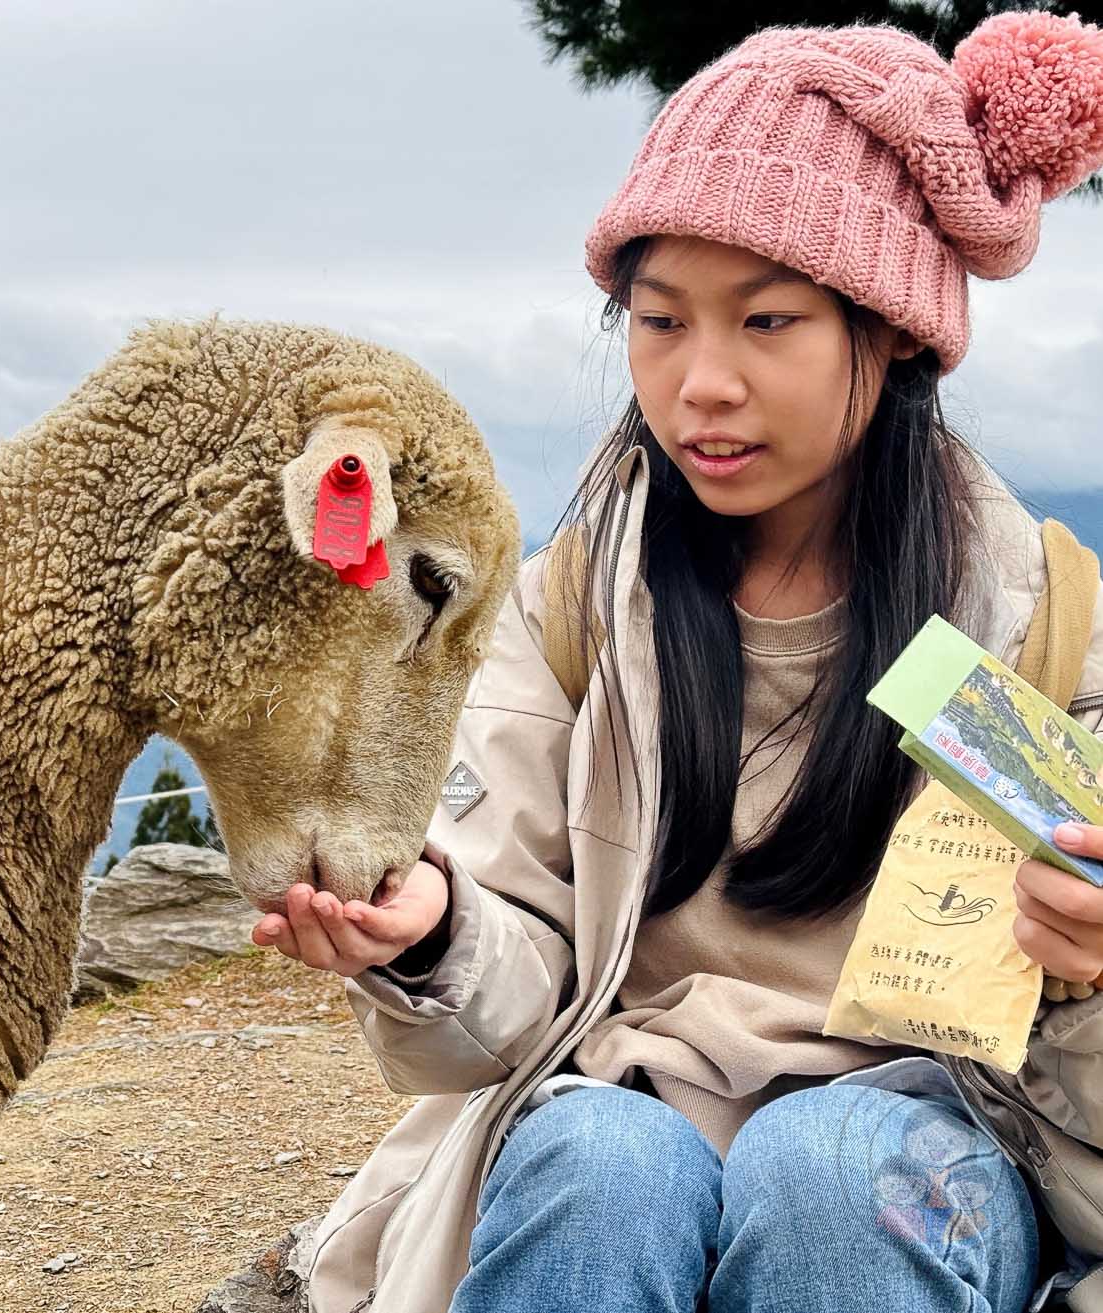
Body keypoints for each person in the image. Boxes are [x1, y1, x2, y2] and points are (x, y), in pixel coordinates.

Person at [252, 13, 1103, 1313]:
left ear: (890, 331)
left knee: (832, 1169)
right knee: (596, 1164)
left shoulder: (1048, 631)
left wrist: (1090, 965)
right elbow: (509, 974)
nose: (701, 382)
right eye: (658, 321)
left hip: (943, 1129)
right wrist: (432, 931)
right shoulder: (571, 613)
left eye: (766, 320)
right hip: (626, 1099)